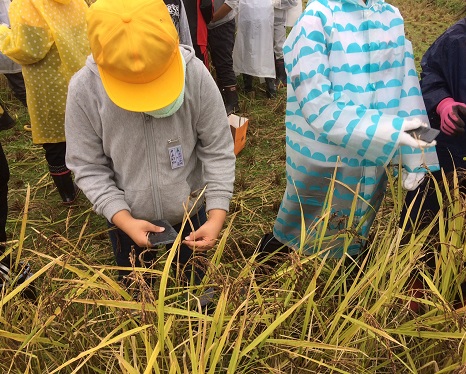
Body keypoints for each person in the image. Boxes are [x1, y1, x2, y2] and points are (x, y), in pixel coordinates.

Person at [65, 0, 235, 288]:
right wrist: (123, 218)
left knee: (195, 286)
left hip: (192, 216)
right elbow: (88, 165)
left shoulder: (194, 75)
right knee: (139, 290)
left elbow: (218, 149)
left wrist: (216, 213)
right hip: (126, 221)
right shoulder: (85, 90)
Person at [259, 0, 439, 261]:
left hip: (371, 159)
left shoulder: (390, 17)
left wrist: (422, 156)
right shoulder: (317, 18)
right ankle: (274, 255)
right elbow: (317, 104)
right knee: (301, 218)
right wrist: (391, 131)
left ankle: (350, 265)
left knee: (358, 218)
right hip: (323, 153)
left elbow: (406, 86)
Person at [399, 13, 466, 308]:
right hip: (448, 151)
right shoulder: (454, 41)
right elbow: (429, 78)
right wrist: (444, 104)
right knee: (425, 213)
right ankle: (415, 286)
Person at [0, 0, 89, 205]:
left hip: (49, 83)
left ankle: (68, 193)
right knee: (87, 131)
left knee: (55, 141)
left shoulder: (27, 4)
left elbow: (29, 49)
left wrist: (3, 33)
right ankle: (96, 181)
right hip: (79, 72)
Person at [233, 0, 277, 98]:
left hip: (248, 12)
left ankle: (249, 88)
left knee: (247, 48)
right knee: (264, 49)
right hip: (261, 13)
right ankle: (270, 89)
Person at [208, 0, 239, 115]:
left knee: (224, 62)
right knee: (216, 63)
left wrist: (211, 19)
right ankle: (221, 98)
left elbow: (231, 3)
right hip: (206, 24)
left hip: (222, 23)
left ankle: (233, 102)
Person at [0, 0, 27, 132]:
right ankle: (4, 119)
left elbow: (7, 19)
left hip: (7, 40)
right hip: (7, 37)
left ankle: (42, 120)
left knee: (20, 85)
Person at [272, 0, 299, 87]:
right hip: (262, 18)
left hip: (278, 18)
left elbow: (292, 2)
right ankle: (271, 76)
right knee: (266, 46)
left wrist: (272, 3)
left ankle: (282, 77)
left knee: (279, 46)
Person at [182, 0, 212, 67]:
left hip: (179, 36)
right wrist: (209, 19)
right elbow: (207, 5)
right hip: (197, 35)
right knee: (202, 71)